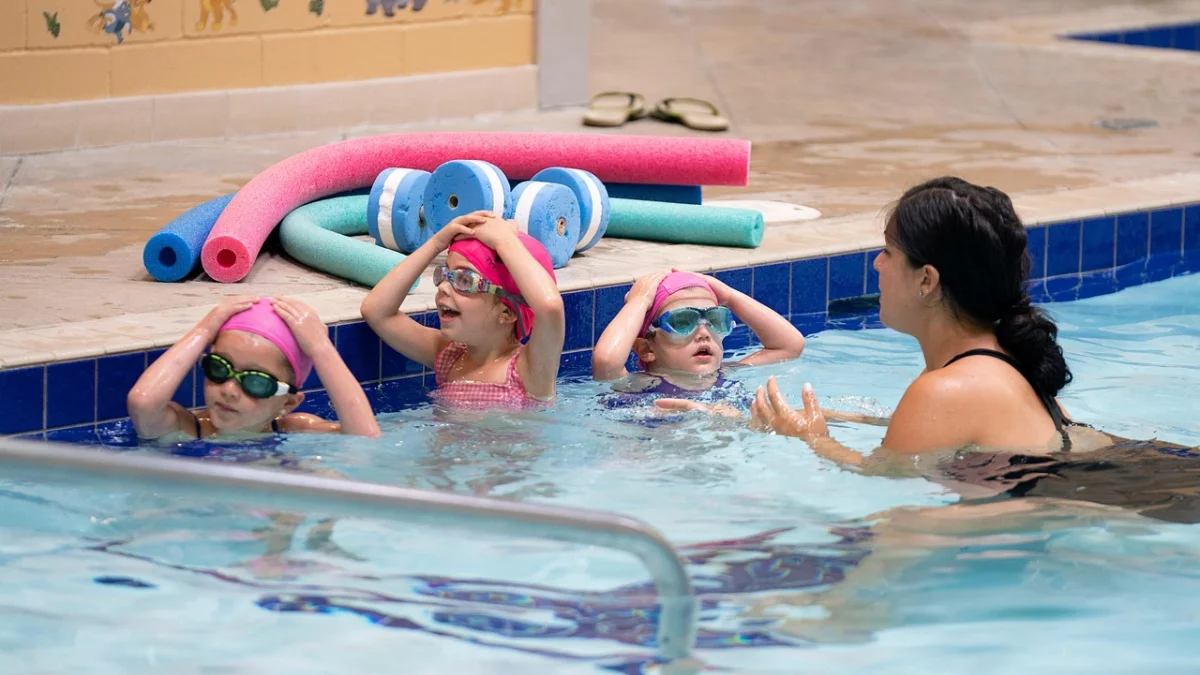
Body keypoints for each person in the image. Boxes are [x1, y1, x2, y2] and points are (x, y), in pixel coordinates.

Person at [361, 211, 565, 410]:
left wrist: (504, 241)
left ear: (507, 313)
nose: (443, 287)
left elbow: (549, 306)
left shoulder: (528, 371)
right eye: (445, 274)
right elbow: (377, 311)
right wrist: (436, 244)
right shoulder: (449, 357)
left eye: (465, 281)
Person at [127, 296, 380, 440]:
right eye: (219, 368)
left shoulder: (297, 429)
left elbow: (365, 441)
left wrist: (321, 348)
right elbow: (142, 403)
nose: (229, 390)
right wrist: (203, 331)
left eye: (255, 382)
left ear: (288, 402)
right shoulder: (188, 428)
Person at [591, 269, 806, 412]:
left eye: (716, 320)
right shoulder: (638, 385)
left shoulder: (727, 372)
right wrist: (639, 301)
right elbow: (607, 361)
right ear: (647, 349)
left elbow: (790, 346)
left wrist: (730, 297)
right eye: (683, 321)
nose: (704, 332)